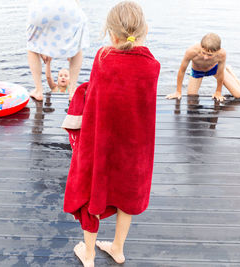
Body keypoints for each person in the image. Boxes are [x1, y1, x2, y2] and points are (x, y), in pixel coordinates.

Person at [61, 1, 160, 266]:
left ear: (111, 33)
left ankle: (89, 253)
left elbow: (93, 96)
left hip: (102, 145)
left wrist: (76, 93)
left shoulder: (104, 59)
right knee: (127, 197)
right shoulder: (153, 66)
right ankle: (118, 248)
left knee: (92, 193)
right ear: (143, 30)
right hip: (136, 148)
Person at [26, 0, 89, 101]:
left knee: (32, 46)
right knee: (78, 44)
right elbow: (49, 78)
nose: (63, 78)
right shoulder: (55, 87)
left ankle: (38, 90)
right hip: (69, 8)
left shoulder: (56, 87)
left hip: (41, 8)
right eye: (61, 76)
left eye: (64, 76)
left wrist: (41, 49)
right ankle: (72, 92)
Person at [166, 33, 240, 102]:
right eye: (204, 53)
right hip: (197, 71)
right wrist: (178, 91)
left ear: (218, 51)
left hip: (215, 69)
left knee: (238, 94)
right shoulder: (191, 51)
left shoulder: (222, 54)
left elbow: (220, 73)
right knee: (191, 98)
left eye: (210, 55)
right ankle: (227, 70)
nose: (205, 57)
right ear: (201, 46)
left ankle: (229, 72)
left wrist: (218, 92)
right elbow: (182, 71)